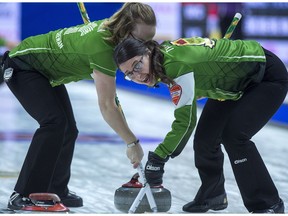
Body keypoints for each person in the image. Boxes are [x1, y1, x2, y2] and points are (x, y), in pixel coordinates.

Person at [1, 3, 156, 210]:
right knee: (54, 123)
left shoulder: (112, 37)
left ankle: (57, 189)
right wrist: (132, 142)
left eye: (148, 42)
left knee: (68, 129)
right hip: (23, 66)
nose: (144, 48)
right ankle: (24, 194)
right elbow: (108, 106)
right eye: (140, 40)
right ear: (125, 30)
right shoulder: (102, 47)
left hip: (45, 73)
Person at [113, 37, 288, 213]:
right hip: (233, 84)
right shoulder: (162, 60)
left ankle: (268, 204)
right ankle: (214, 195)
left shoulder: (175, 65)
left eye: (137, 65)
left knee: (234, 136)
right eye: (129, 74)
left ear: (148, 52)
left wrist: (158, 158)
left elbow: (186, 122)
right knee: (206, 138)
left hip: (265, 76)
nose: (138, 76)